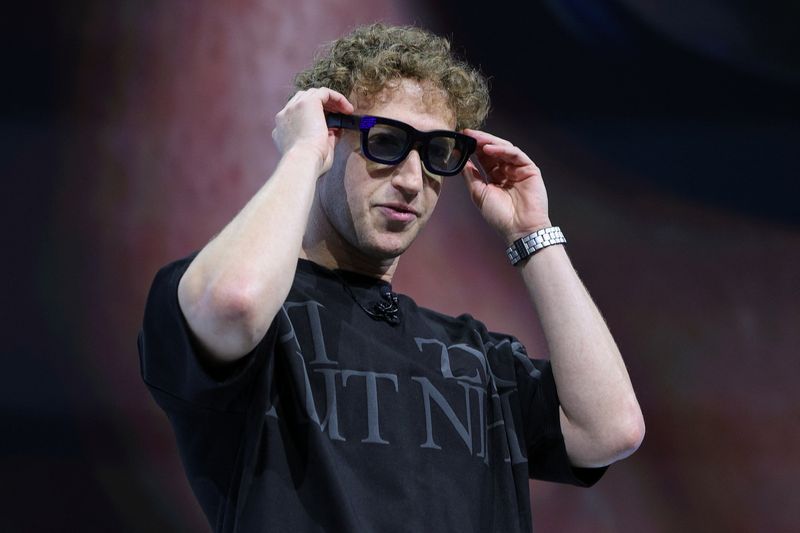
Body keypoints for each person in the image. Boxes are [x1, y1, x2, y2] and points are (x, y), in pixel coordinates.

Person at [138, 23, 644, 533]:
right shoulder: (247, 316)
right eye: (384, 141)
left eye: (436, 152)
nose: (409, 180)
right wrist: (301, 154)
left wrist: (533, 233)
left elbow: (610, 429)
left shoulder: (475, 357)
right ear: (330, 136)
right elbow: (235, 303)